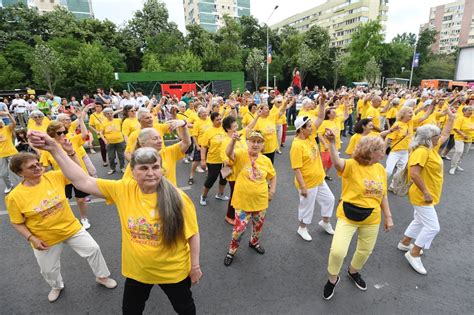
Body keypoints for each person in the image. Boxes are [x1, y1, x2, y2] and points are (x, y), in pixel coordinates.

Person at [28, 131, 201, 314]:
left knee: (185, 309)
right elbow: (82, 181)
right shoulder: (123, 189)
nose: (151, 173)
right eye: (143, 168)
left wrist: (195, 266)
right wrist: (55, 148)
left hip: (173, 272)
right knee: (130, 310)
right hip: (138, 272)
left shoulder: (179, 198)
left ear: (161, 169)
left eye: (155, 167)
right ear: (132, 172)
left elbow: (192, 233)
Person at [6, 152, 116, 303]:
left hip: (71, 228)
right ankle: (56, 286)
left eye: (38, 163)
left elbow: (79, 174)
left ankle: (102, 277)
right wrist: (32, 238)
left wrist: (71, 154)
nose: (38, 167)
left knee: (93, 249)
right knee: (48, 269)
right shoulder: (14, 197)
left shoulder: (54, 176)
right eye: (32, 167)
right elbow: (17, 222)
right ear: (20, 173)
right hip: (44, 239)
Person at [323, 131, 393, 301]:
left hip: (372, 218)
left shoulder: (381, 170)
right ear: (370, 151)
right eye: (381, 150)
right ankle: (333, 278)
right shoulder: (352, 165)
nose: (384, 153)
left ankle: (353, 271)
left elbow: (383, 194)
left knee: (365, 251)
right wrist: (332, 143)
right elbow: (338, 163)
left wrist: (388, 216)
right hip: (348, 216)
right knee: (338, 251)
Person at [398, 109, 455, 275]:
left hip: (426, 194)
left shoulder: (431, 148)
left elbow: (445, 134)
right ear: (430, 138)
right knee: (432, 227)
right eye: (436, 135)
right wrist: (425, 192)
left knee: (419, 221)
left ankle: (405, 242)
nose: (440, 138)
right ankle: (413, 253)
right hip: (421, 195)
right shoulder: (422, 151)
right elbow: (414, 173)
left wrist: (451, 119)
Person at [223, 131, 277, 266]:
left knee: (258, 227)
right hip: (242, 202)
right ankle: (232, 250)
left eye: (259, 141)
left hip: (261, 202)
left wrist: (272, 190)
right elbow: (229, 153)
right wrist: (233, 141)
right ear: (247, 142)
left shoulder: (266, 160)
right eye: (253, 141)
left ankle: (254, 243)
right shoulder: (241, 154)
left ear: (263, 144)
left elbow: (273, 175)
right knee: (239, 230)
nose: (256, 144)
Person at [290, 105, 336, 242]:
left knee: (329, 199)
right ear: (301, 130)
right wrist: (303, 187)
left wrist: (322, 103)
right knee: (307, 207)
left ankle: (325, 222)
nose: (312, 128)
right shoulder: (297, 145)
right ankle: (302, 228)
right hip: (307, 182)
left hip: (319, 178)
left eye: (311, 126)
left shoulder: (309, 137)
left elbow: (321, 117)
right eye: (309, 126)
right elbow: (296, 168)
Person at [40, 121, 92, 229]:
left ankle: (84, 218)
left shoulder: (72, 140)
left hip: (79, 176)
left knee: (81, 199)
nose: (63, 134)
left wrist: (80, 118)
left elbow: (84, 135)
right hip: (62, 179)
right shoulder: (48, 149)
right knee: (64, 202)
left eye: (65, 131)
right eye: (59, 133)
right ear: (52, 134)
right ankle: (70, 219)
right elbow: (44, 167)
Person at [122, 124, 190, 186]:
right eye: (155, 139)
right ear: (142, 143)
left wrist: (184, 126)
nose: (160, 141)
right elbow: (126, 186)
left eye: (160, 138)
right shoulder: (136, 163)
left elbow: (186, 143)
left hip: (169, 197)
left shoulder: (167, 152)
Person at [221, 115, 247, 225]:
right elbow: (226, 160)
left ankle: (240, 212)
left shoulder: (239, 136)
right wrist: (235, 158)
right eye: (234, 126)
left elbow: (248, 128)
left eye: (237, 125)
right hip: (235, 174)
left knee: (242, 194)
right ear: (228, 128)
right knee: (235, 195)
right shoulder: (226, 141)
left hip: (244, 172)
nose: (237, 127)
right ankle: (229, 216)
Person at [199, 112, 229, 206]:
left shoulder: (224, 129)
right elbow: (203, 147)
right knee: (211, 179)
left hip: (225, 160)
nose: (220, 121)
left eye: (220, 119)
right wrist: (203, 160)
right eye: (217, 120)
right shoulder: (208, 131)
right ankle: (203, 196)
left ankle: (220, 194)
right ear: (212, 120)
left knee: (224, 178)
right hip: (213, 160)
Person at [188, 107, 212, 185]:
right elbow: (194, 136)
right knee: (196, 161)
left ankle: (209, 175)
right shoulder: (197, 123)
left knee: (209, 161)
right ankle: (191, 176)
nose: (205, 114)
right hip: (201, 145)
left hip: (210, 145)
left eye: (206, 112)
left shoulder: (209, 120)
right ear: (199, 114)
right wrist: (197, 146)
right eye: (203, 113)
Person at [100, 107, 126, 175]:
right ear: (105, 115)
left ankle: (122, 167)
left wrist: (121, 110)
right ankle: (112, 168)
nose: (110, 115)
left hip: (120, 141)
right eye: (107, 114)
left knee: (121, 156)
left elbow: (125, 125)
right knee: (111, 157)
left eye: (111, 113)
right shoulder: (103, 123)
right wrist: (105, 140)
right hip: (110, 143)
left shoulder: (118, 120)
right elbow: (101, 133)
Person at [449, 106, 472, 175]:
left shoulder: (472, 118)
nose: (471, 112)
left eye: (471, 111)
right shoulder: (460, 119)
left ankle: (457, 165)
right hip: (460, 137)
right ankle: (453, 167)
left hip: (469, 138)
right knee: (459, 151)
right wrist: (463, 134)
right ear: (464, 111)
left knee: (464, 153)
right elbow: (455, 128)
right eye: (469, 110)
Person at [0, 112, 18, 193]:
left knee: (15, 171)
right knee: (3, 174)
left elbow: (14, 123)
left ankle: (20, 185)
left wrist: (8, 114)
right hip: (1, 155)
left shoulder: (7, 128)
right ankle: (9, 185)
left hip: (11, 153)